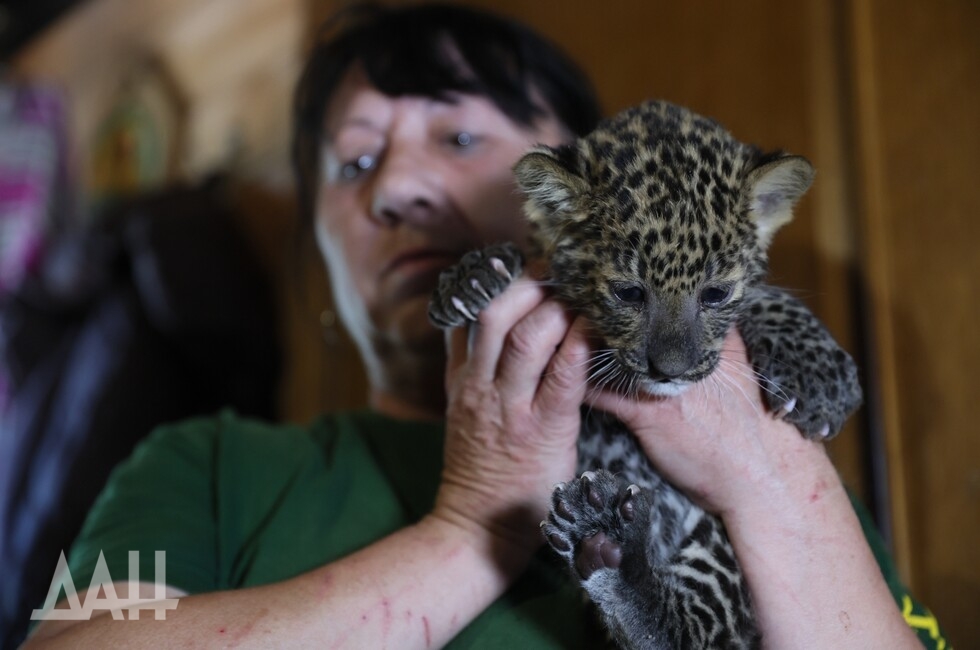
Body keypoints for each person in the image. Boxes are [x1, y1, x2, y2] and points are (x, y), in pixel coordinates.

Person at [24, 3, 943, 648]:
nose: (398, 187)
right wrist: (473, 526)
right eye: (353, 163)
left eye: (459, 137)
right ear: (318, 251)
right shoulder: (203, 464)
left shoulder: (774, 452)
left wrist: (766, 478)